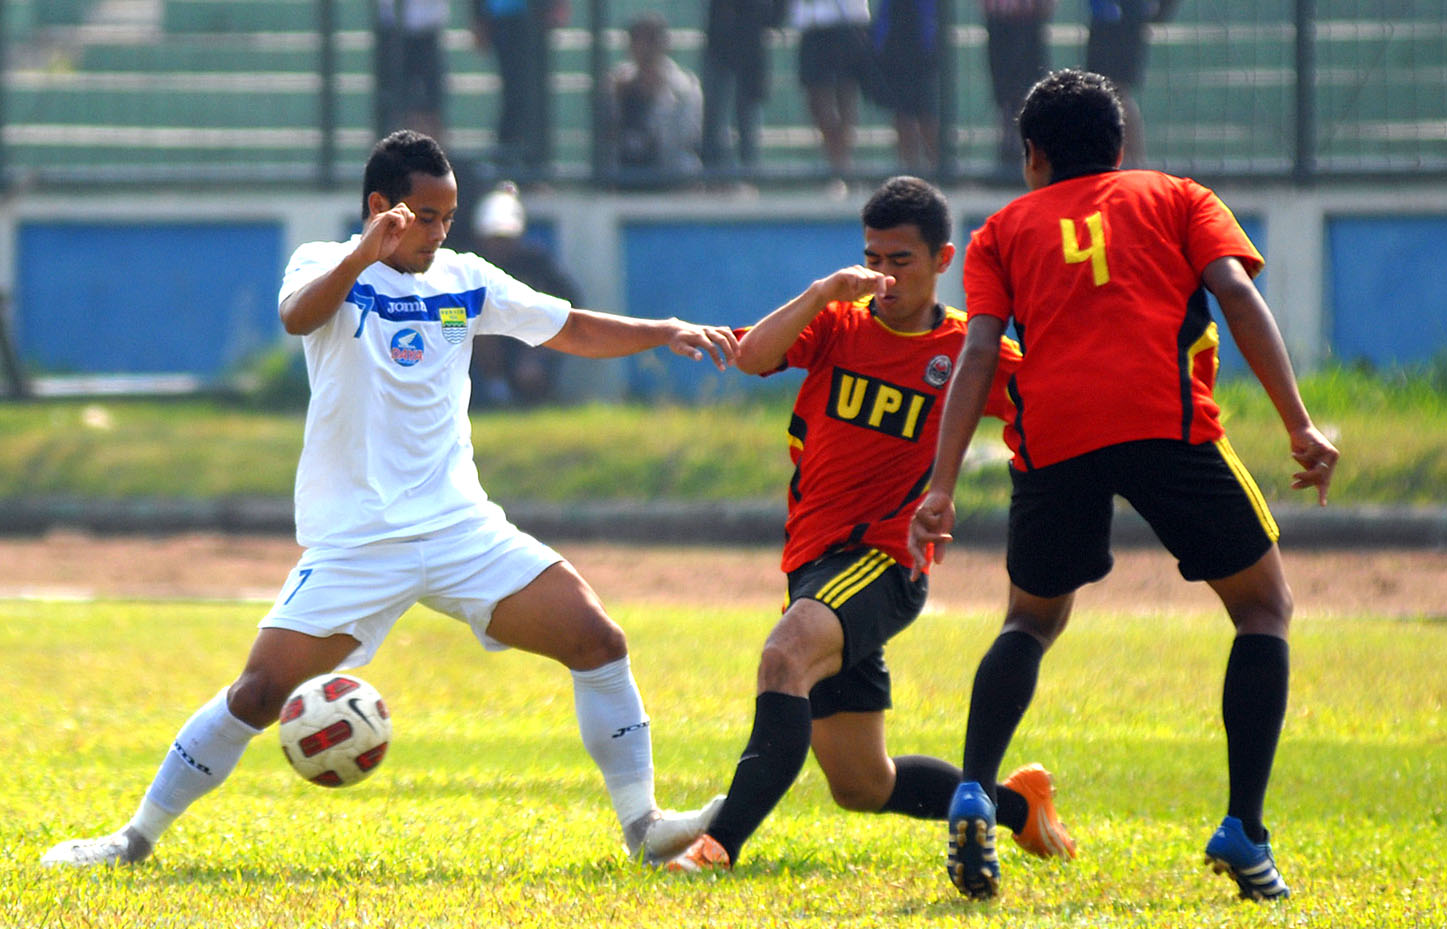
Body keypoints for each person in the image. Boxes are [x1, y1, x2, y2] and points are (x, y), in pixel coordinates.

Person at [40, 130, 738, 870]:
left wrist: (662, 331)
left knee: (598, 639)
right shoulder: (323, 263)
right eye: (425, 216)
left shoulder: (465, 277)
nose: (439, 233)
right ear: (380, 206)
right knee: (257, 692)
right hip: (358, 539)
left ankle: (643, 825)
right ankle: (132, 839)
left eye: (448, 217)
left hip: (460, 526)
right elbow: (298, 317)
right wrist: (360, 254)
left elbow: (566, 327)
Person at [907, 70, 1339, 901]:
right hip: (1162, 423)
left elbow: (976, 352)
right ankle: (1243, 829)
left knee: (1029, 620)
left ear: (1031, 155)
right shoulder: (1176, 197)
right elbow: (1237, 295)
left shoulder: (1001, 230)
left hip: (1053, 435)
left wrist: (940, 482)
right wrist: (1297, 422)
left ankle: (972, 786)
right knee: (1261, 608)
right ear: (1120, 145)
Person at [665, 177, 1076, 873]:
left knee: (782, 656)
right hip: (813, 558)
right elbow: (751, 356)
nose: (882, 277)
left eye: (900, 261)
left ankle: (718, 846)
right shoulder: (835, 323)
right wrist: (822, 291)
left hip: (882, 559)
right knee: (862, 783)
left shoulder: (966, 353)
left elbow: (1056, 414)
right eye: (872, 258)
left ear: (943, 260)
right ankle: (1020, 808)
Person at [467, 180, 583, 405]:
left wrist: (541, 348)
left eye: (504, 239)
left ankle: (533, 401)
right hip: (490, 345)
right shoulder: (472, 267)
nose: (498, 246)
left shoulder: (536, 262)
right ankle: (497, 392)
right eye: (493, 239)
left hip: (529, 342)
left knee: (530, 374)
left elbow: (569, 301)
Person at [603, 12, 704, 184]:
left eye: (650, 41)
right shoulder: (616, 82)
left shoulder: (683, 87)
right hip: (625, 176)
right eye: (637, 40)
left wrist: (657, 96)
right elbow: (606, 139)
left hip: (670, 177)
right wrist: (617, 98)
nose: (643, 48)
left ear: (663, 45)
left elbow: (686, 138)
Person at [472, 0, 567, 173]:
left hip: (535, 16)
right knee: (514, 94)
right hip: (503, 15)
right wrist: (479, 18)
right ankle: (507, 163)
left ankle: (535, 166)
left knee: (536, 94)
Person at [790, 0, 873, 191]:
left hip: (845, 23)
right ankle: (836, 164)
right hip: (811, 26)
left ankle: (843, 166)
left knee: (845, 98)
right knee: (817, 103)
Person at [1085, 0, 1178, 167]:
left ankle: (1134, 160)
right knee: (1104, 91)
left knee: (1116, 91)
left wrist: (1160, 10)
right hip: (1107, 21)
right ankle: (1127, 160)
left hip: (1122, 21)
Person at [699, 0, 786, 177]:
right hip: (719, 38)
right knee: (713, 114)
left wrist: (772, 16)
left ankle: (749, 173)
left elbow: (779, 9)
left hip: (751, 38)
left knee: (747, 115)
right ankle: (713, 174)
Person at [980, 0, 1055, 175]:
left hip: (1027, 22)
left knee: (1028, 88)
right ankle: (1008, 148)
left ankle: (1031, 150)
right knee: (1004, 90)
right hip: (999, 22)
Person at [869, 0, 941, 175]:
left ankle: (936, 165)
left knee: (926, 110)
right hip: (895, 49)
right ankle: (908, 167)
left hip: (922, 49)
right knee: (902, 111)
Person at [374, 0, 450, 142]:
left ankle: (433, 157)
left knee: (431, 105)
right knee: (393, 105)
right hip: (392, 29)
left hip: (428, 28)